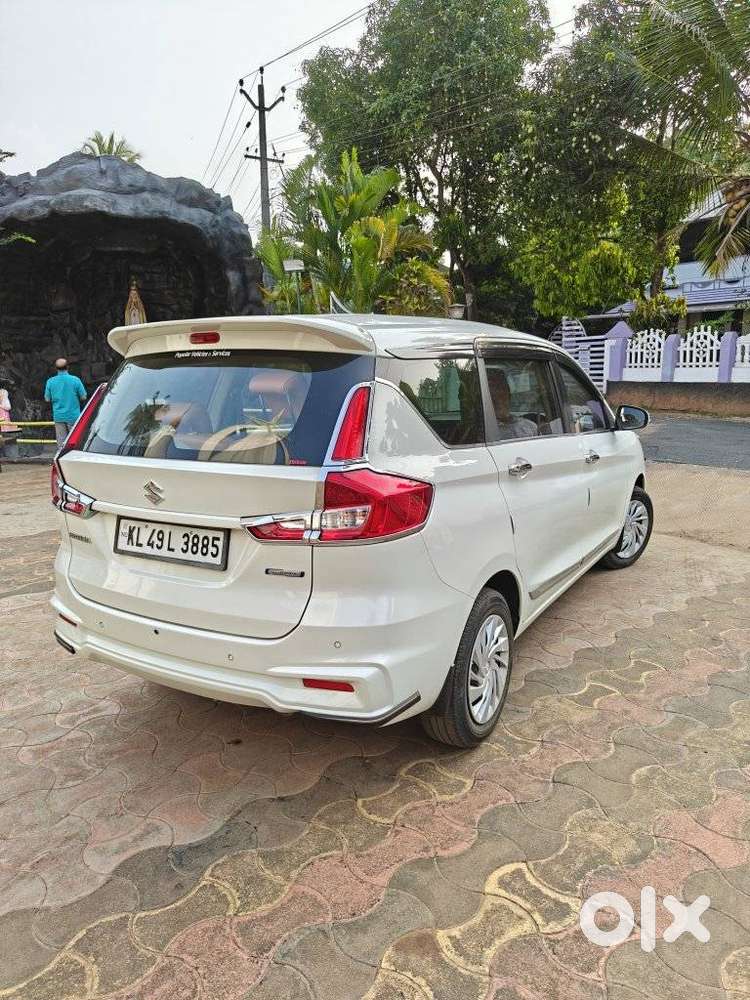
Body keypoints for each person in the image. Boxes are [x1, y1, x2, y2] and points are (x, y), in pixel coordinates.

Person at [44, 359, 87, 447]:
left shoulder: (50, 381)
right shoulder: (75, 380)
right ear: (68, 367)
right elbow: (84, 397)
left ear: (56, 368)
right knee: (75, 441)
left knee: (61, 443)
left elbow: (47, 399)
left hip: (59, 416)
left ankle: (61, 458)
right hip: (73, 415)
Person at [486, 368, 538, 440]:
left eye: (502, 388)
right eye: (492, 389)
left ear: (509, 394)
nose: (498, 394)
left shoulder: (530, 427)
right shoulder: (481, 432)